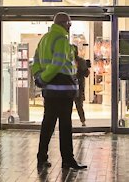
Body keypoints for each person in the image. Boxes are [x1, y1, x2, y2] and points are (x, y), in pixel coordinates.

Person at [32, 12, 87, 170]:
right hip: (62, 90)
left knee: (47, 123)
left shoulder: (44, 39)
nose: (69, 27)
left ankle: (41, 157)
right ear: (66, 24)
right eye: (69, 24)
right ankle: (68, 159)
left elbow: (35, 60)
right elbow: (57, 64)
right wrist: (46, 77)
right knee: (65, 125)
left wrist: (40, 77)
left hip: (49, 90)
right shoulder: (62, 40)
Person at [72, 45, 90, 127]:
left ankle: (82, 120)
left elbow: (86, 73)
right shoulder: (79, 61)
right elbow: (86, 73)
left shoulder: (69, 61)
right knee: (78, 104)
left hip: (76, 85)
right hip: (75, 85)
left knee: (78, 104)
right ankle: (82, 121)